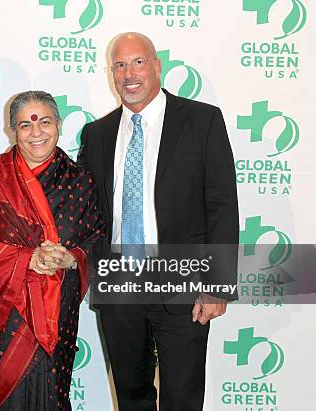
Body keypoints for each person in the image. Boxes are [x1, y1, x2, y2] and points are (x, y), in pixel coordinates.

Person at [78, 33, 239, 410]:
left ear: (156, 66)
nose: (128, 73)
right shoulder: (98, 134)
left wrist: (217, 285)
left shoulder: (201, 120)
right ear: (110, 73)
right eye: (119, 65)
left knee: (182, 398)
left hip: (184, 286)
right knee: (131, 397)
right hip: (119, 287)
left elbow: (222, 206)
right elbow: (87, 213)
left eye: (137, 62)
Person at [0, 91, 106, 410]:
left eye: (45, 122)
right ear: (13, 131)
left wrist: (72, 258)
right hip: (5, 312)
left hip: (58, 312)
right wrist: (26, 260)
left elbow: (96, 239)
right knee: (7, 396)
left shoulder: (80, 181)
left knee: (53, 394)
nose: (36, 132)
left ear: (59, 125)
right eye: (25, 125)